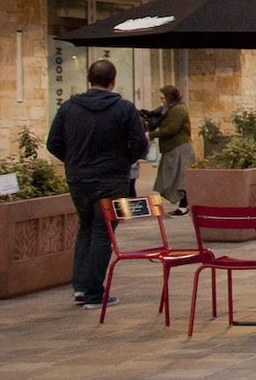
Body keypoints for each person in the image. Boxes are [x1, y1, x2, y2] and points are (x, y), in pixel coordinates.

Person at [46, 59, 147, 309]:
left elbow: (53, 143)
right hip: (112, 180)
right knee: (103, 232)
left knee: (86, 228)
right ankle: (93, 292)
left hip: (79, 179)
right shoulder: (124, 109)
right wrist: (123, 161)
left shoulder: (68, 108)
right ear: (113, 80)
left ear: (89, 79)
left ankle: (81, 287)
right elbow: (140, 145)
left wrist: (75, 162)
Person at [148, 85, 193, 215]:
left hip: (179, 147)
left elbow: (172, 129)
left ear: (169, 97)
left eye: (163, 98)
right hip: (173, 147)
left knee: (180, 178)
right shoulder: (170, 109)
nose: (161, 101)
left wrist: (151, 135)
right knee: (173, 177)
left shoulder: (178, 109)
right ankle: (183, 205)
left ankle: (184, 206)